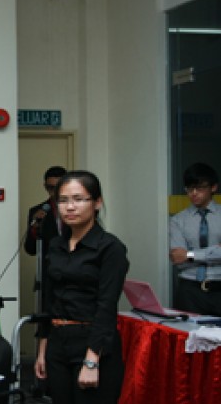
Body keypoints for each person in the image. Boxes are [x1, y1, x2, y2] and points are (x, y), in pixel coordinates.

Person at [34, 170, 129, 404]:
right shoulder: (56, 245)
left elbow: (106, 306)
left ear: (97, 203)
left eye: (78, 199)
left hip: (92, 343)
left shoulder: (110, 248)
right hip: (57, 341)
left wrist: (91, 360)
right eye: (63, 200)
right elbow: (50, 298)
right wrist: (43, 348)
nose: (70, 207)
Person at [169, 162, 221, 316]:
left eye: (200, 188)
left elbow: (185, 255)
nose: (194, 193)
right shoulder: (178, 220)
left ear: (213, 188)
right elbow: (178, 257)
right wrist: (214, 251)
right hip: (189, 290)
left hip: (219, 288)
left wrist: (190, 255)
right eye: (189, 188)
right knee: (188, 337)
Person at [24, 165, 67, 256]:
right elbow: (31, 250)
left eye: (59, 187)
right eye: (51, 188)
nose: (55, 192)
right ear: (45, 187)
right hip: (50, 267)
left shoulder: (78, 209)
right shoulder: (37, 211)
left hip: (76, 266)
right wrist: (35, 229)